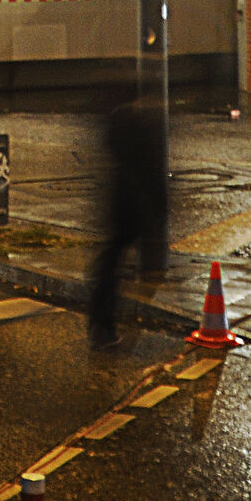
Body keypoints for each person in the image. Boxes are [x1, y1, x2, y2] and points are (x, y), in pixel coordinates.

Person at [87, 97, 167, 349]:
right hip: (136, 204)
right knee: (114, 260)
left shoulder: (120, 120)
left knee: (112, 258)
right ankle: (102, 325)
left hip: (122, 202)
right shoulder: (144, 123)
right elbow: (153, 170)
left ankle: (101, 323)